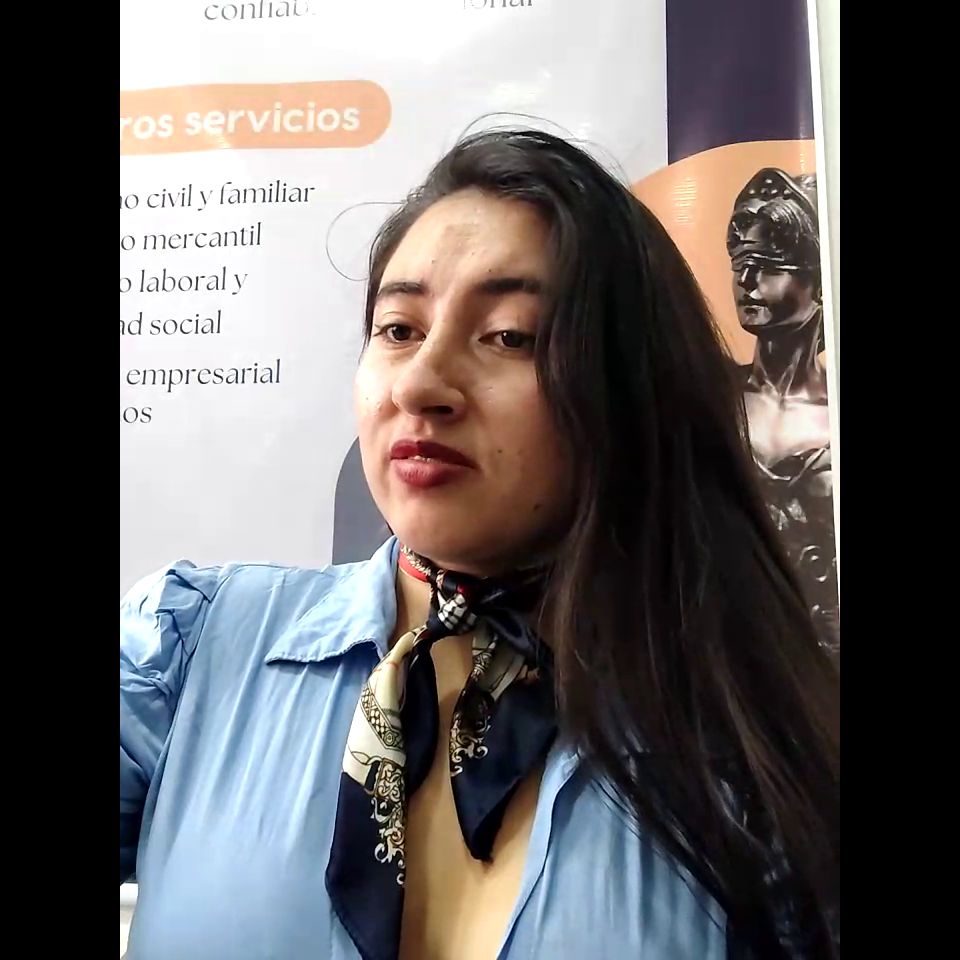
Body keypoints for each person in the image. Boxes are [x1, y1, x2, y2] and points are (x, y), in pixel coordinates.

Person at [120, 129, 840, 960]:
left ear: (630, 388)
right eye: (398, 328)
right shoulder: (189, 651)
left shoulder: (751, 752)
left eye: (508, 335)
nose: (421, 384)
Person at [727, 168, 839, 650]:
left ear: (819, 277)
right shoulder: (706, 397)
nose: (746, 280)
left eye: (769, 264)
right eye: (739, 262)